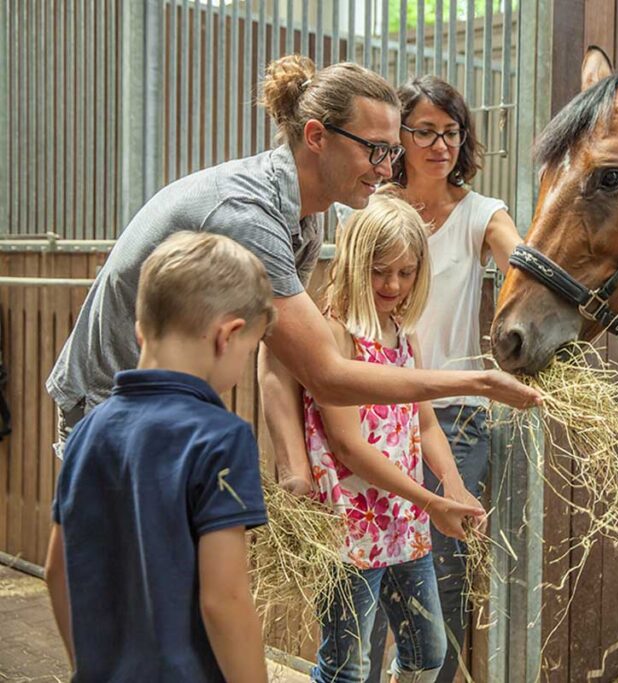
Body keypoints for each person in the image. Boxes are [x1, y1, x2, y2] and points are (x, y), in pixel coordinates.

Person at [44, 55, 540, 467]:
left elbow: (281, 346)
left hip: (174, 402)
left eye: (392, 151)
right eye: (374, 150)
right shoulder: (249, 216)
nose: (387, 169)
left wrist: (293, 461)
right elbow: (325, 372)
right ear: (317, 136)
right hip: (117, 401)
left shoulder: (307, 215)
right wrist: (479, 381)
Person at [44, 232, 275, 682]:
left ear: (140, 328)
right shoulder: (222, 437)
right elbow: (223, 598)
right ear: (228, 336)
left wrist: (89, 667)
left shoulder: (90, 429)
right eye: (250, 350)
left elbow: (57, 569)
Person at [355, 75, 522, 682]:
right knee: (368, 580)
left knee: (440, 580)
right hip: (375, 410)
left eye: (450, 132)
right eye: (424, 131)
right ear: (397, 136)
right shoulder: (373, 207)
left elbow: (520, 261)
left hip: (452, 417)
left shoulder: (482, 213)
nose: (439, 145)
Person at [305, 193, 486, 683]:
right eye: (380, 271)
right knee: (346, 664)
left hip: (404, 522)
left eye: (405, 273)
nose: (393, 284)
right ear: (356, 262)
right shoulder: (336, 334)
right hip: (352, 525)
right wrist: (430, 501)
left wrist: (452, 484)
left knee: (427, 653)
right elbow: (347, 445)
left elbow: (425, 423)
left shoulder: (405, 335)